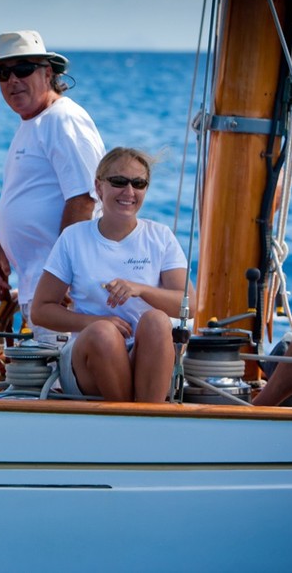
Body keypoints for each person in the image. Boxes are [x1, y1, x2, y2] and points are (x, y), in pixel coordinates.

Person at [30, 147, 193, 402]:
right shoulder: (73, 238)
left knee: (158, 322)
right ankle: (129, 418)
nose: (129, 192)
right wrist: (93, 322)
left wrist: (140, 289)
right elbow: (40, 310)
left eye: (138, 183)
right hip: (89, 358)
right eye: (119, 181)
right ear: (99, 186)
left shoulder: (160, 237)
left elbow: (190, 306)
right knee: (104, 333)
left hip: (144, 357)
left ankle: (147, 417)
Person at [0, 30, 105, 336]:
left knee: (60, 383)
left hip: (64, 298)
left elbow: (84, 199)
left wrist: (61, 278)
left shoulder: (62, 119)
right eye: (3, 74)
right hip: (43, 294)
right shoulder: (34, 123)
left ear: (48, 73)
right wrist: (2, 245)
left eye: (23, 69)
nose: (12, 80)